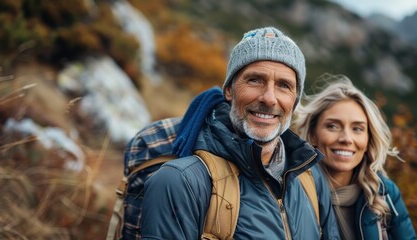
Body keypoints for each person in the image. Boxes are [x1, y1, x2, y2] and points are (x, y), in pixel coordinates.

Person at [140, 26, 341, 239]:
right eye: (255, 80)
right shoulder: (180, 182)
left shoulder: (310, 177)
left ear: (295, 101)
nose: (269, 98)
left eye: (284, 85)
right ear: (229, 90)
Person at [293, 74, 416, 239]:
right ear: (313, 135)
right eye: (333, 126)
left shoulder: (385, 194)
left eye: (357, 129)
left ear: (368, 139)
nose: (346, 139)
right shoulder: (292, 192)